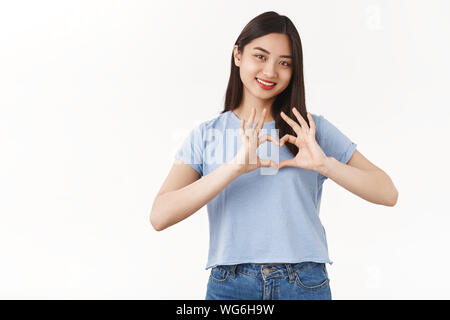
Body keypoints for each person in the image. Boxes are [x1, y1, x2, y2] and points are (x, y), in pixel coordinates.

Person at [150, 11, 398, 300]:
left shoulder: (310, 131)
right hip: (230, 285)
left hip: (304, 282)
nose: (270, 72)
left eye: (284, 63)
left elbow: (387, 192)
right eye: (260, 56)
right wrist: (234, 168)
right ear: (238, 55)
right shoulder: (206, 134)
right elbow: (160, 215)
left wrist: (325, 164)